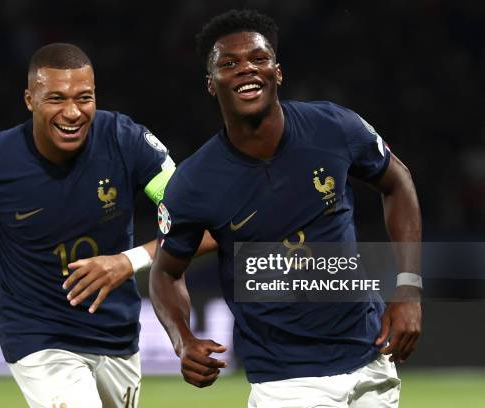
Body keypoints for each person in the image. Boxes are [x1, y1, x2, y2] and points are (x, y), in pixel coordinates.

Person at [150, 10, 422, 408]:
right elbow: (166, 271)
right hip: (288, 383)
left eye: (258, 59)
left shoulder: (333, 128)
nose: (246, 69)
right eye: (229, 64)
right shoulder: (193, 183)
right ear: (212, 84)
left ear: (277, 72)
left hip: (371, 361)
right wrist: (182, 340)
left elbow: (398, 182)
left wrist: (409, 288)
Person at [0, 42, 215, 408]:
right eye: (57, 99)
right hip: (37, 336)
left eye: (84, 98)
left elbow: (202, 226)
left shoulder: (126, 141)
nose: (73, 112)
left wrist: (127, 261)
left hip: (116, 334)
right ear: (30, 100)